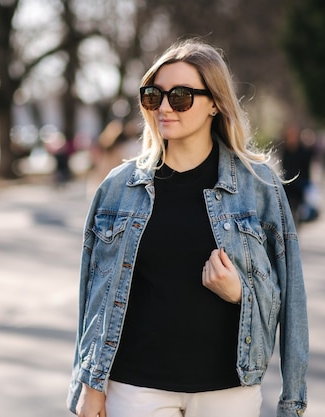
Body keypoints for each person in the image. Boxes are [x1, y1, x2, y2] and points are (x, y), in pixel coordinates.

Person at [67, 39, 308, 417]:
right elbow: (94, 295)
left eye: (180, 96)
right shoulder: (117, 187)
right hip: (136, 386)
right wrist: (90, 385)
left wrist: (240, 293)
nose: (164, 106)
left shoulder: (258, 187)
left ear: (214, 103)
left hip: (227, 388)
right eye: (153, 95)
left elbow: (290, 297)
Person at [280, 124, 314, 224]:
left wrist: (308, 184)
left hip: (300, 184)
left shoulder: (304, 151)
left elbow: (307, 168)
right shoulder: (285, 150)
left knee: (301, 210)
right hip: (288, 184)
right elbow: (284, 167)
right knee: (289, 210)